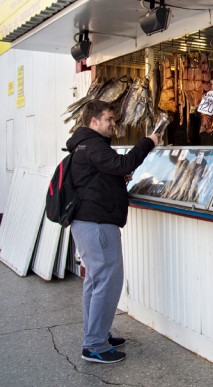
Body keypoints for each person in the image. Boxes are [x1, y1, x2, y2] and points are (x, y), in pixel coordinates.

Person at [66, 100, 160, 364]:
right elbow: (123, 163)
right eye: (109, 119)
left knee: (95, 282)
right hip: (96, 224)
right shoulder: (93, 144)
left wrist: (116, 179)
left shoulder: (83, 145)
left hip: (89, 223)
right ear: (94, 121)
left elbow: (100, 176)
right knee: (107, 282)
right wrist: (148, 142)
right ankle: (94, 344)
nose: (113, 124)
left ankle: (97, 334)